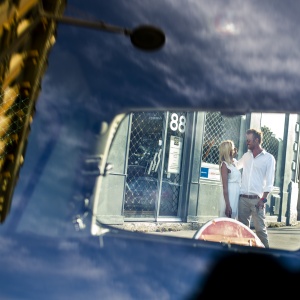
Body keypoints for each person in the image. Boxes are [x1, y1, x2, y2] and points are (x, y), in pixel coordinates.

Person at [235, 129, 276, 248]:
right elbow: (237, 166)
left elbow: (270, 181)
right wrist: (228, 158)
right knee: (242, 230)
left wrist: (263, 199)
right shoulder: (246, 156)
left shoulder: (269, 158)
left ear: (257, 140)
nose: (247, 142)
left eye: (249, 140)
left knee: (260, 231)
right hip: (242, 199)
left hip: (257, 200)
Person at [218, 140, 241, 219]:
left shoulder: (234, 163)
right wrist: (227, 205)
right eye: (234, 148)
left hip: (236, 194)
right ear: (229, 150)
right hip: (230, 196)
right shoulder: (224, 165)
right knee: (228, 219)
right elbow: (225, 187)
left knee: (234, 219)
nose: (236, 150)